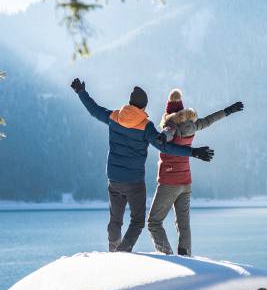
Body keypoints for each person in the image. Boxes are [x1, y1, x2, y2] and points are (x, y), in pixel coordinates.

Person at [70, 78, 214, 253]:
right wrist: (193, 152)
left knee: (115, 220)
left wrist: (81, 92)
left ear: (130, 104)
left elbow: (94, 110)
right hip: (134, 182)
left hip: (114, 179)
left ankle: (113, 249)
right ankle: (122, 251)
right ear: (144, 107)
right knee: (138, 221)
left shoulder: (114, 116)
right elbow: (165, 146)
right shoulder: (146, 126)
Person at [147, 88, 243, 256]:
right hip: (186, 182)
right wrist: (228, 110)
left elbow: (168, 133)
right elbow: (209, 120)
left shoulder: (170, 125)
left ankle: (167, 256)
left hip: (170, 181)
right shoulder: (193, 125)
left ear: (168, 113)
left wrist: (162, 136)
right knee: (183, 224)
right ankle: (186, 255)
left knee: (153, 222)